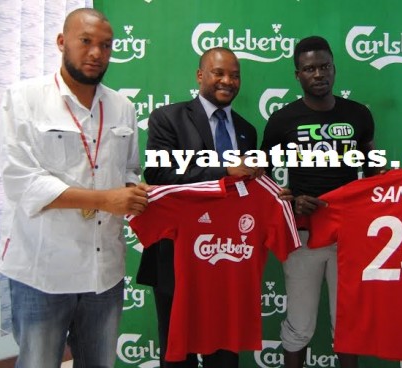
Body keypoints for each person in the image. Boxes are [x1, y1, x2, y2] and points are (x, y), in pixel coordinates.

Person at [0, 8, 150, 368]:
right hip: (42, 274)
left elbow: (128, 167)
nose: (96, 53)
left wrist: (133, 191)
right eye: (86, 42)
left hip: (104, 274)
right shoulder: (23, 98)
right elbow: (22, 181)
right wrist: (105, 199)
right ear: (62, 41)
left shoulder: (123, 106)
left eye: (106, 46)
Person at [136, 47, 261, 368]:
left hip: (227, 260)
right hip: (176, 259)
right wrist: (225, 169)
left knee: (225, 355)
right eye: (219, 73)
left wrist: (272, 192)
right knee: (178, 356)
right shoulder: (168, 118)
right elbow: (160, 175)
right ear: (200, 75)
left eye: (235, 75)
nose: (228, 81)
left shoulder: (247, 129)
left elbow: (246, 188)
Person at [260, 36, 381, 368]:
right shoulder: (282, 121)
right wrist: (292, 201)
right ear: (297, 74)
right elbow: (263, 182)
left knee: (347, 326)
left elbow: (374, 175)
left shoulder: (358, 115)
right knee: (298, 325)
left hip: (350, 236)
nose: (318, 74)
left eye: (324, 66)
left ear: (334, 69)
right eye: (309, 68)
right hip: (303, 235)